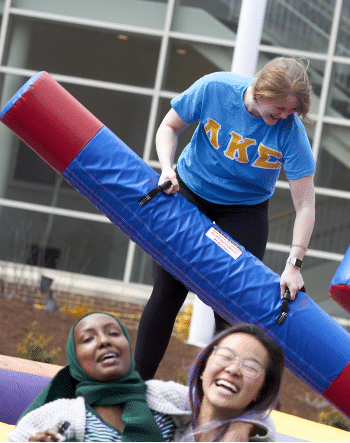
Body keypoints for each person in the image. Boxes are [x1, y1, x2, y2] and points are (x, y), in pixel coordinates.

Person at [135, 57, 316, 380]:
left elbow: (304, 204)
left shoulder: (291, 131)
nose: (283, 117)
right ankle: (136, 384)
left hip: (244, 211)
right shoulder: (215, 88)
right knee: (168, 292)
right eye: (279, 109)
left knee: (231, 311)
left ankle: (214, 397)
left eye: (291, 112)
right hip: (190, 193)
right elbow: (169, 126)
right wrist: (166, 168)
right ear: (260, 91)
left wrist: (294, 264)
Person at [8, 312, 189, 442]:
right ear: (76, 360)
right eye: (88, 339)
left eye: (114, 333)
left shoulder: (170, 398)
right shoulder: (55, 415)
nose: (104, 341)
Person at [178, 322, 284, 442]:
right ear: (203, 367)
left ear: (261, 391)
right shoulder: (157, 417)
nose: (233, 370)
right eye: (225, 356)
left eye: (250, 367)